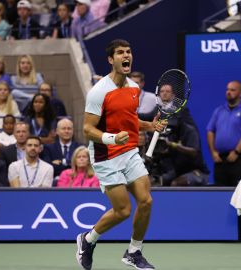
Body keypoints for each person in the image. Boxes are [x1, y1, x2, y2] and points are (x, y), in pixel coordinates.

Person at [77, 39, 166, 270]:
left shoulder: (134, 88)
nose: (126, 55)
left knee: (146, 201)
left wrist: (149, 126)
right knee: (123, 210)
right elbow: (87, 129)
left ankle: (134, 252)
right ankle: (87, 240)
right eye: (119, 52)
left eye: (128, 51)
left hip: (129, 151)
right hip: (105, 154)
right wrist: (112, 138)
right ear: (110, 59)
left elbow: (129, 120)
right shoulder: (99, 92)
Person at [206, 80, 241, 187]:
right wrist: (213, 152)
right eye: (227, 89)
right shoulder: (219, 111)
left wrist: (236, 152)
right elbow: (210, 131)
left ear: (240, 93)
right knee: (219, 193)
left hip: (240, 159)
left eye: (233, 90)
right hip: (221, 159)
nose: (229, 92)